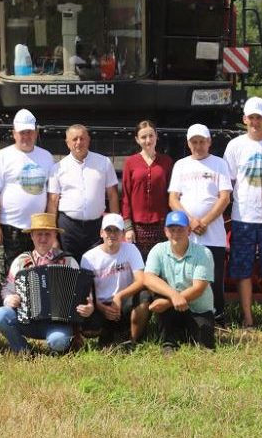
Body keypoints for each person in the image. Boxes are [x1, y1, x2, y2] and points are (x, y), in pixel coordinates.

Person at [223, 97, 262, 331]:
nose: (255, 121)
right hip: (243, 217)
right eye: (251, 117)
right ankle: (248, 319)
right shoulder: (235, 146)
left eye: (259, 117)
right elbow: (228, 182)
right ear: (244, 119)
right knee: (243, 269)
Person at [0, 213, 94, 354]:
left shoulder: (69, 262)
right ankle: (23, 350)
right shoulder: (21, 261)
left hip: (57, 323)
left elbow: (83, 296)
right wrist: (9, 298)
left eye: (48, 234)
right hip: (26, 320)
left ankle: (58, 344)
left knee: (58, 341)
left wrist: (88, 307)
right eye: (39, 234)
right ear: (32, 236)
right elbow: (7, 288)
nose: (43, 238)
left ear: (54, 236)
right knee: (0, 315)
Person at [168, 123, 232, 324]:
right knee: (188, 277)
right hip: (186, 234)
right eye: (194, 142)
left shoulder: (220, 164)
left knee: (213, 277)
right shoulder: (180, 165)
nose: (198, 145)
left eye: (202, 141)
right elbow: (173, 199)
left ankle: (217, 317)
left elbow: (224, 198)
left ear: (209, 142)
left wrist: (204, 221)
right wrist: (190, 222)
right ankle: (188, 318)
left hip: (213, 234)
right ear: (188, 143)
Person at [0, 109, 55, 277]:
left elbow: (52, 195)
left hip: (37, 230)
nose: (26, 136)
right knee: (9, 275)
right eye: (22, 132)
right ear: (14, 133)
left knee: (37, 274)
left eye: (29, 132)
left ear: (36, 133)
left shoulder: (46, 157)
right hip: (10, 229)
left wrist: (51, 228)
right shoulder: (2, 156)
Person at [144, 211, 216, 352]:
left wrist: (169, 301)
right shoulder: (158, 250)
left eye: (180, 229)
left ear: (189, 231)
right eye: (172, 229)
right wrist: (173, 295)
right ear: (165, 231)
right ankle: (168, 342)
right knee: (159, 294)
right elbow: (148, 278)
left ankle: (184, 334)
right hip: (171, 308)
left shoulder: (203, 253)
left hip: (198, 309)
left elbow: (199, 288)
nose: (176, 233)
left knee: (204, 345)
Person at [47, 124, 120, 261]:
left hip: (96, 227)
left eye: (82, 138)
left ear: (89, 140)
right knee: (69, 269)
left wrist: (116, 226)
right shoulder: (57, 168)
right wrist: (53, 236)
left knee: (96, 269)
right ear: (67, 143)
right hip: (68, 228)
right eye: (74, 139)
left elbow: (113, 195)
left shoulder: (104, 163)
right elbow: (52, 203)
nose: (79, 142)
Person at [80, 213, 149, 350]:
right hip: (100, 304)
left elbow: (141, 280)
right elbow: (86, 292)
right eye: (108, 230)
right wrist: (102, 308)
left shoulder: (131, 249)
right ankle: (109, 334)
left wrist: (119, 297)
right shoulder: (88, 257)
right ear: (101, 233)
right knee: (89, 328)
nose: (112, 234)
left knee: (145, 296)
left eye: (116, 230)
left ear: (123, 233)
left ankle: (132, 341)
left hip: (124, 301)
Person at [121, 120, 173, 259]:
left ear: (156, 136)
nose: (148, 140)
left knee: (160, 268)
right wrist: (128, 227)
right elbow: (126, 196)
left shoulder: (166, 162)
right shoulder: (130, 162)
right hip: (138, 228)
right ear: (137, 139)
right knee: (140, 268)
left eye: (151, 135)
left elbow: (171, 194)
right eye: (143, 137)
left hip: (161, 225)